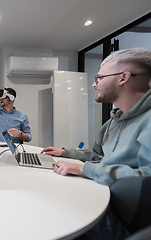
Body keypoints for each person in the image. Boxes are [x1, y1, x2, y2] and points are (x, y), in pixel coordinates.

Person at [42, 48, 151, 240]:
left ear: (123, 77)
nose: (94, 84)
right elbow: (99, 157)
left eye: (99, 77)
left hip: (120, 214)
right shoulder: (112, 123)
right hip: (100, 194)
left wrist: (86, 170)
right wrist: (67, 153)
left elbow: (146, 179)